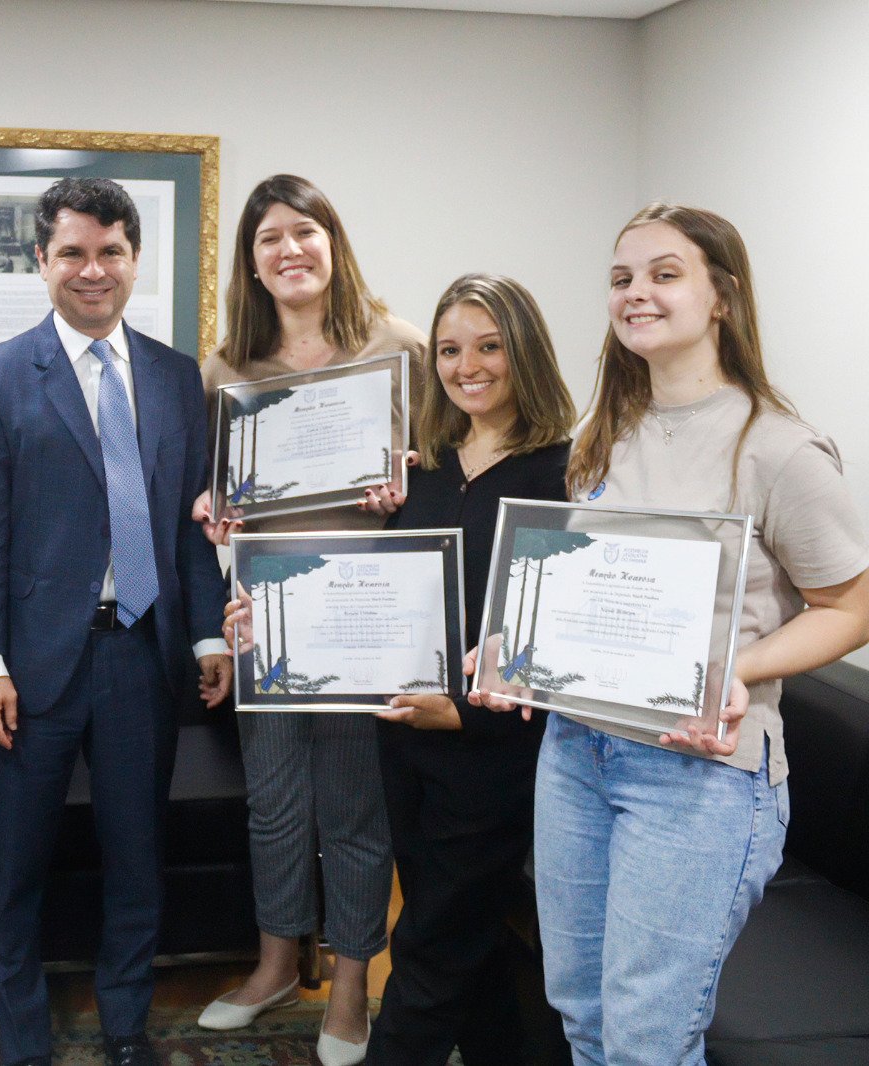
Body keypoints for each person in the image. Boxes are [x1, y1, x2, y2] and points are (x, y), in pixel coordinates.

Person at [476, 203, 869, 1065]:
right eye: (622, 279)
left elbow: (851, 607)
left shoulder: (779, 448)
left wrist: (741, 668)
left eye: (663, 274)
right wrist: (515, 647)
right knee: (580, 1010)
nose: (636, 294)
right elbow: (581, 589)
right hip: (577, 752)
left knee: (648, 1039)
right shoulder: (602, 435)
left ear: (721, 296)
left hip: (700, 774)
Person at [0, 177, 231, 1066]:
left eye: (110, 252)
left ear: (134, 260)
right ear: (41, 261)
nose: (92, 269)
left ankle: (123, 1028)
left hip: (141, 656)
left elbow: (189, 527)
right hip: (30, 667)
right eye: (71, 251)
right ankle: (25, 1040)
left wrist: (210, 635)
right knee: (16, 867)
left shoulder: (176, 378)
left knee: (136, 860)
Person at [192, 174, 427, 1066]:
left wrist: (406, 486)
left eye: (306, 231)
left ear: (333, 241)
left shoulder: (398, 345)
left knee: (356, 809)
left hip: (369, 616)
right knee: (275, 805)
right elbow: (209, 494)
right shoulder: (223, 369)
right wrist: (211, 504)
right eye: (269, 240)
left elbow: (446, 481)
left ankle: (355, 982)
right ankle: (275, 966)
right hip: (268, 616)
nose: (290, 250)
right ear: (250, 263)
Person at [347, 273, 572, 1063]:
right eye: (449, 349)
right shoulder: (423, 469)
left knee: (429, 952)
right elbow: (381, 597)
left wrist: (468, 713)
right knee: (470, 956)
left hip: (497, 753)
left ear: (526, 353)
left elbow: (567, 638)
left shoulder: (568, 475)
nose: (466, 365)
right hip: (407, 742)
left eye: (488, 346)